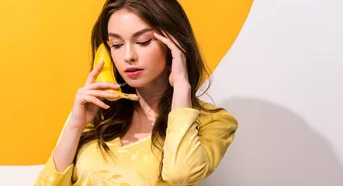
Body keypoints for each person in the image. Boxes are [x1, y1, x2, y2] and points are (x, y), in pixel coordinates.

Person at [34, 0, 238, 185]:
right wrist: (75, 126)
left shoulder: (213, 122)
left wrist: (182, 86)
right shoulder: (98, 115)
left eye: (143, 41)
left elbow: (180, 174)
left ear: (174, 45)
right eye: (117, 45)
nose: (128, 56)